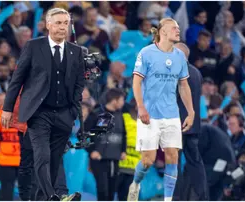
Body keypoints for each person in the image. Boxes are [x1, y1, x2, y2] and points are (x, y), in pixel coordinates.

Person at [0, 8, 84, 201]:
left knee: (55, 160)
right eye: (58, 23)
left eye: (65, 23)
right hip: (38, 113)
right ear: (48, 25)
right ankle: (51, 195)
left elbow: (79, 84)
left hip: (64, 113)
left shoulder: (76, 52)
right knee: (42, 155)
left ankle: (41, 198)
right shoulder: (33, 46)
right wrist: (7, 108)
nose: (62, 27)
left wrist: (72, 110)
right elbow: (17, 79)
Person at [127, 18, 195, 201]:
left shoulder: (180, 56)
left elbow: (184, 85)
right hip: (150, 113)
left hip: (171, 114)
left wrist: (191, 111)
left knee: (172, 156)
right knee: (148, 160)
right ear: (163, 31)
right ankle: (136, 183)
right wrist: (141, 107)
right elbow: (136, 81)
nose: (178, 30)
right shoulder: (146, 53)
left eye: (179, 28)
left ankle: (168, 199)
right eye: (174, 28)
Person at [173, 42, 208, 200]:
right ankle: (203, 195)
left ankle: (176, 198)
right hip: (193, 126)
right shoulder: (196, 72)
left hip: (177, 125)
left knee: (174, 163)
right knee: (195, 162)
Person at [84, 88, 127, 201]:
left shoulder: (119, 115)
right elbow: (83, 134)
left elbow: (123, 134)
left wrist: (123, 150)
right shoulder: (97, 114)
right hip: (99, 161)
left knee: (112, 191)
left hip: (114, 159)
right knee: (103, 190)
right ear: (114, 100)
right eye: (122, 100)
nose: (123, 103)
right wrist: (92, 150)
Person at [0, 101, 20, 201]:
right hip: (24, 158)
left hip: (6, 158)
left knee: (6, 189)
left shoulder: (3, 110)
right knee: (28, 189)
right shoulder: (30, 107)